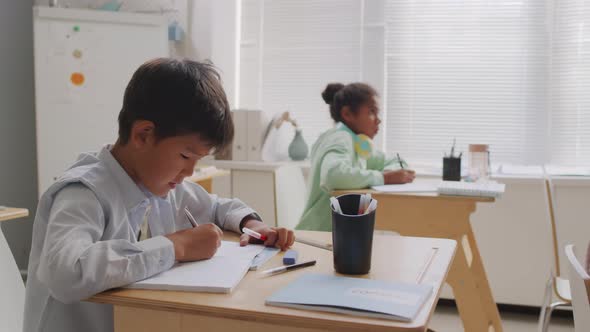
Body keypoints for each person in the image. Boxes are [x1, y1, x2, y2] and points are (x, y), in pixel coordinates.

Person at [23, 58, 294, 332]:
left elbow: (218, 208)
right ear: (143, 135)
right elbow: (65, 272)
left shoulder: (159, 185)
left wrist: (251, 223)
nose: (190, 171)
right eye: (185, 155)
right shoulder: (82, 193)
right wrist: (176, 246)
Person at [296, 82, 415, 231]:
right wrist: (385, 177)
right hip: (320, 234)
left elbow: (395, 161)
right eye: (372, 112)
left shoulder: (355, 143)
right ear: (347, 114)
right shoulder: (340, 138)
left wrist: (395, 173)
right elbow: (333, 175)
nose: (378, 120)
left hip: (333, 232)